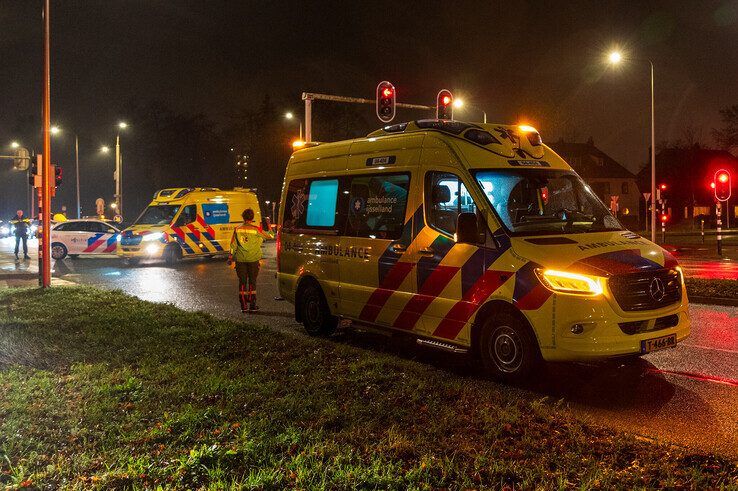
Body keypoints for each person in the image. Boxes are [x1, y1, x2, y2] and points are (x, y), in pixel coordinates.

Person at [228, 208, 273, 312]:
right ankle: (252, 305)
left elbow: (233, 245)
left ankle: (243, 306)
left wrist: (230, 257)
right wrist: (269, 224)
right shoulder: (256, 229)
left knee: (242, 282)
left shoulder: (237, 229)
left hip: (240, 260)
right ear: (252, 218)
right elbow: (271, 235)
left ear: (243, 217)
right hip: (253, 259)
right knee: (252, 282)